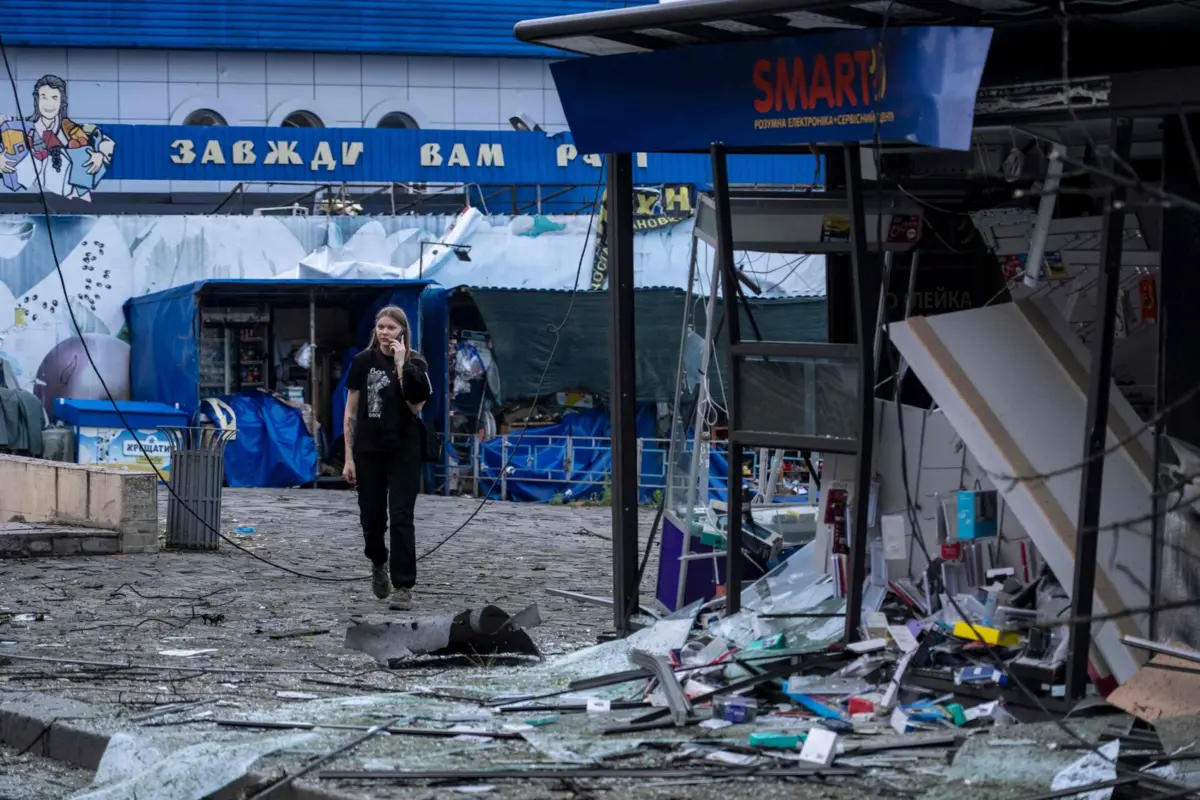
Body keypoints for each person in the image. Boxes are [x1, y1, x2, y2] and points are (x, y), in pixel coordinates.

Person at [343, 306, 432, 609]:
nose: (384, 332)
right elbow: (351, 411)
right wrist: (348, 458)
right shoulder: (362, 362)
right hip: (368, 450)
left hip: (404, 450)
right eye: (380, 327)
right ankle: (378, 560)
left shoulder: (416, 363)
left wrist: (400, 364)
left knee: (402, 517)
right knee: (372, 519)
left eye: (391, 328)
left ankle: (403, 586)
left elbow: (416, 406)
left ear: (402, 332)